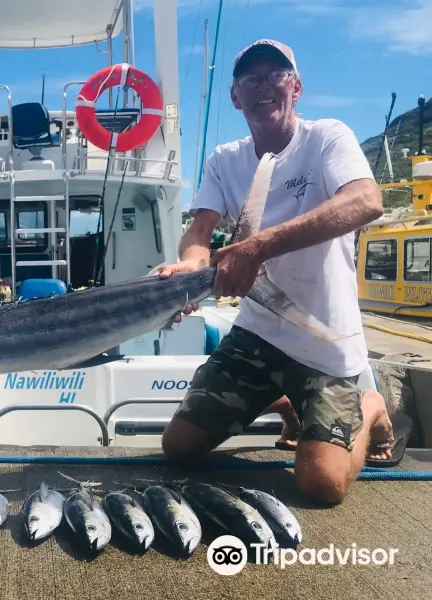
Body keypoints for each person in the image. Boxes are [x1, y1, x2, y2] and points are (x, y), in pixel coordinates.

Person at [157, 40, 403, 505]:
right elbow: (200, 232)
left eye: (275, 74)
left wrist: (256, 248)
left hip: (326, 343)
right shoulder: (224, 160)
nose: (263, 85)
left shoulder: (327, 137)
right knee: (178, 448)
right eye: (250, 79)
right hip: (257, 334)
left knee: (321, 485)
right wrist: (190, 268)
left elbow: (366, 201)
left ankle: (369, 407)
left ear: (296, 87)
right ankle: (288, 402)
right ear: (236, 96)